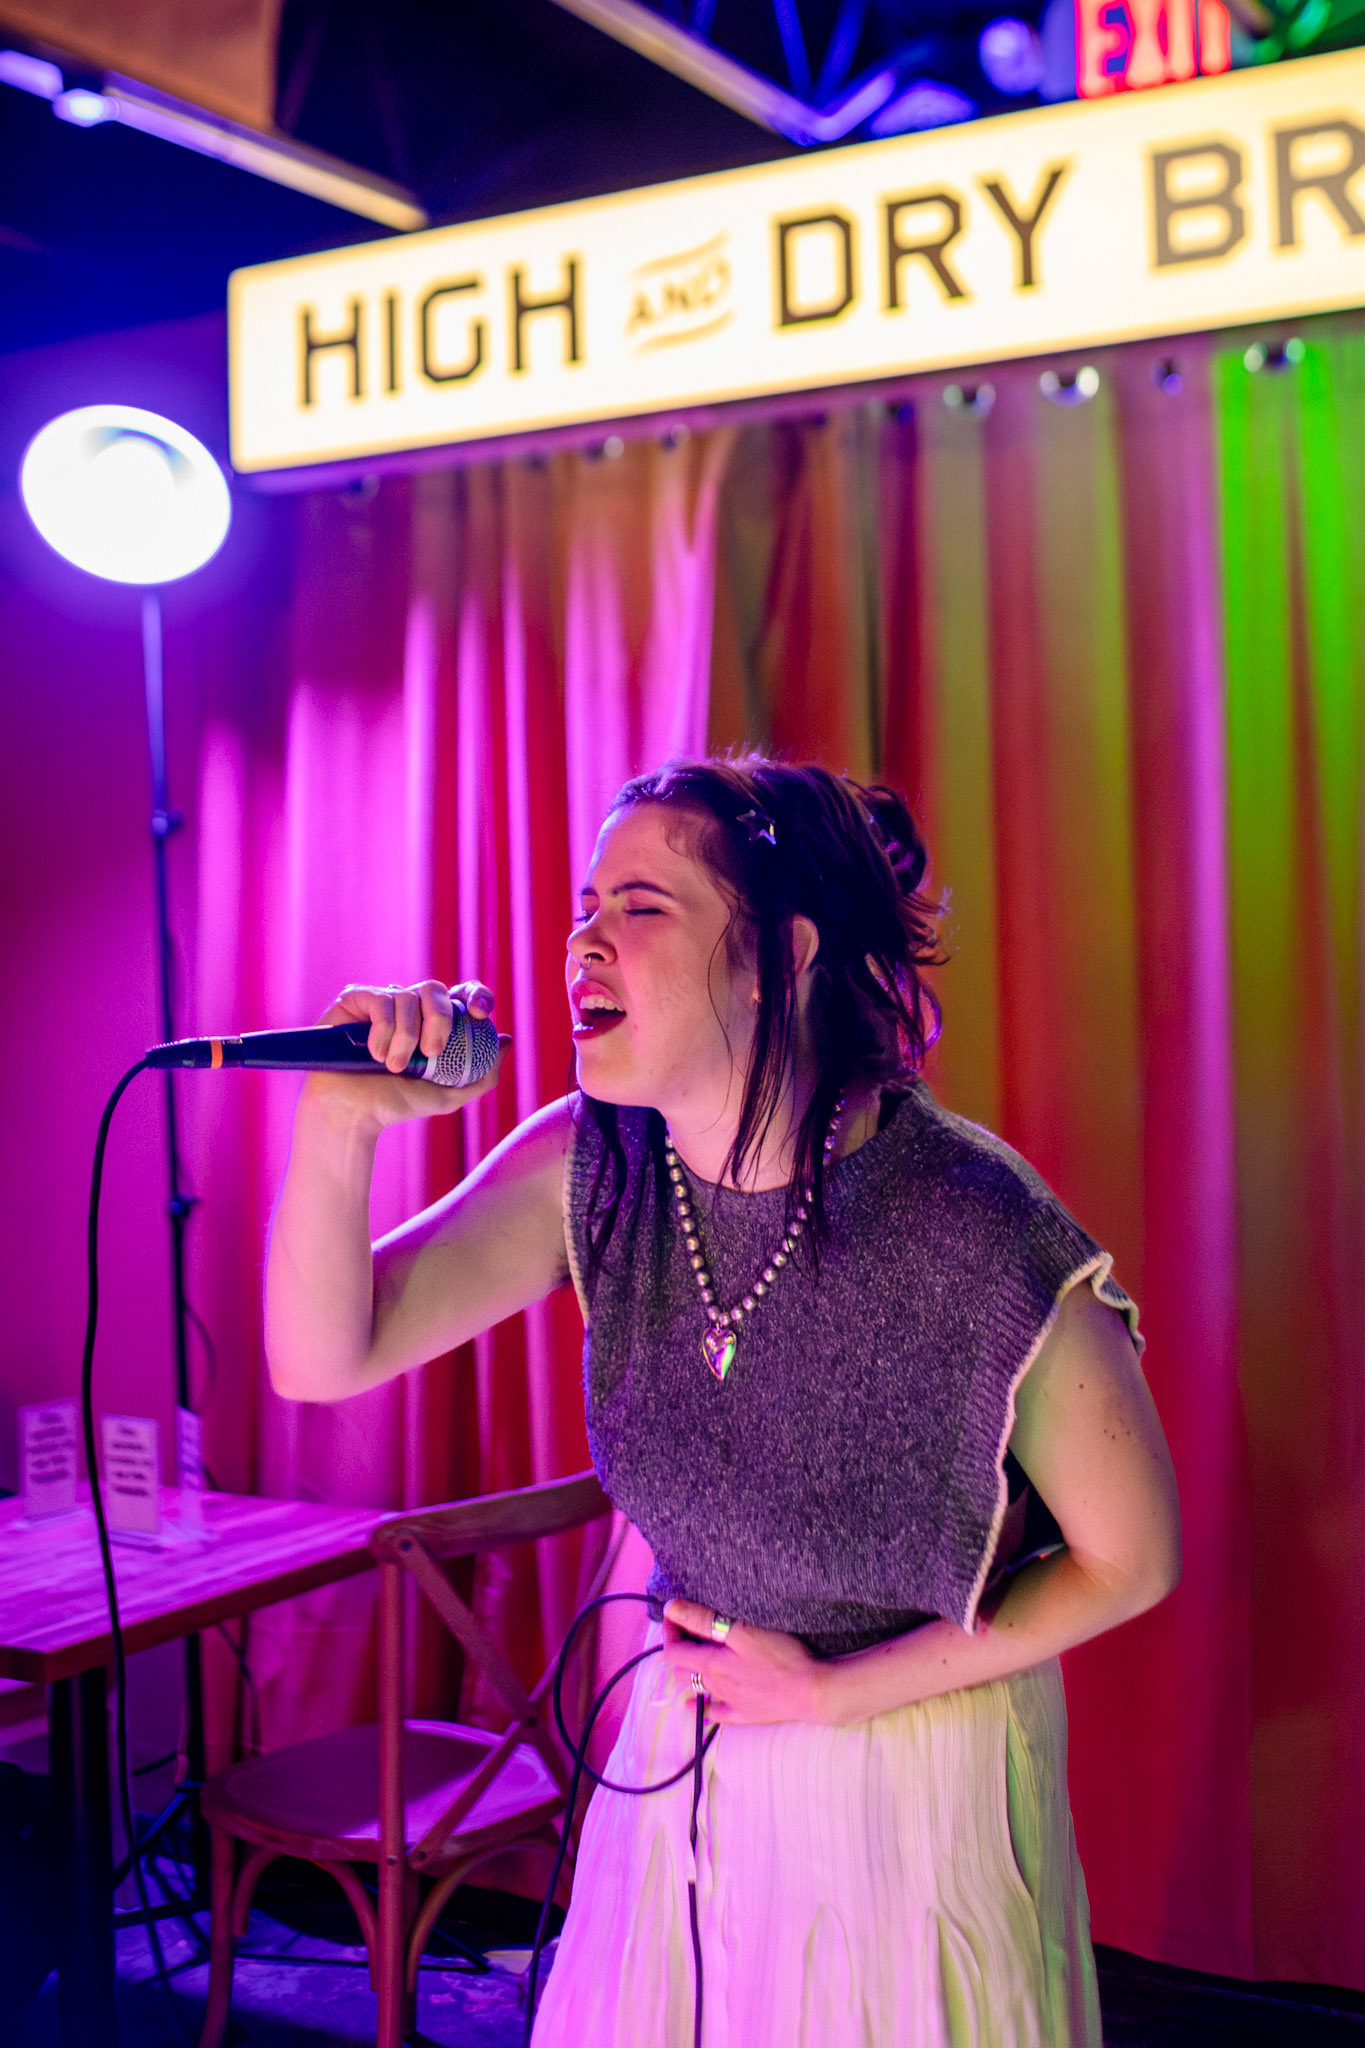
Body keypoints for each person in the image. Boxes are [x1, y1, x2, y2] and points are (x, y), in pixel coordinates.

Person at [266, 756, 1181, 2048]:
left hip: (910, 1769)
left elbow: (1134, 1558)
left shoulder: (974, 1225)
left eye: (640, 906)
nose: (583, 942)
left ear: (780, 955)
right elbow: (320, 1358)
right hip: (686, 1765)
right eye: (585, 906)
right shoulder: (595, 1165)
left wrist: (833, 1698)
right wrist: (340, 1122)